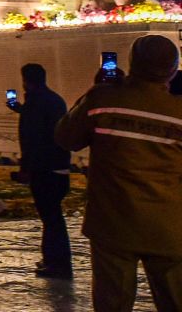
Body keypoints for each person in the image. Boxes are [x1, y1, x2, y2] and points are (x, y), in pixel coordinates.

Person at [56, 34, 182, 310]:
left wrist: (94, 90)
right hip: (169, 225)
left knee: (113, 302)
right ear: (173, 69)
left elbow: (66, 137)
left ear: (132, 63)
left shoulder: (103, 100)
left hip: (113, 223)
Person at [7, 63, 72, 279]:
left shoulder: (35, 102)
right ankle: (53, 259)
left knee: (51, 217)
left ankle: (57, 262)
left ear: (26, 81)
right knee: (53, 216)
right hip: (60, 165)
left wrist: (26, 168)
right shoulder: (55, 99)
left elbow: (32, 138)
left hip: (44, 169)